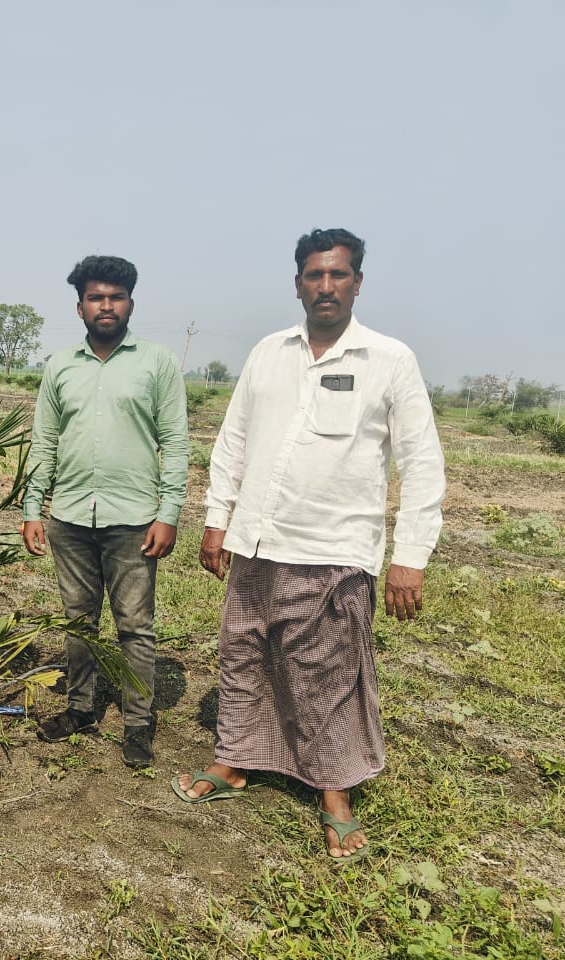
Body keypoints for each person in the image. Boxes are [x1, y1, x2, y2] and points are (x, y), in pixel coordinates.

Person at [172, 228, 445, 864]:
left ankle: (333, 792)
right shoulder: (269, 352)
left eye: (338, 275)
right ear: (297, 283)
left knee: (328, 674)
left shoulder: (389, 360)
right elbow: (234, 439)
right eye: (314, 276)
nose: (326, 286)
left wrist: (410, 556)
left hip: (336, 547)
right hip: (259, 542)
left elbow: (421, 463)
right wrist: (218, 517)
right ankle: (235, 762)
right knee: (244, 657)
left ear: (357, 282)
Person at [23, 255, 189, 768]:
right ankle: (80, 708)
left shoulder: (157, 363)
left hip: (134, 518)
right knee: (78, 622)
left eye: (116, 297)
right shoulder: (60, 367)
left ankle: (138, 724)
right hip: (70, 515)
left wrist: (170, 513)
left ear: (131, 304)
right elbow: (44, 442)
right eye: (96, 297)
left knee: (135, 626)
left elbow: (177, 443)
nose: (106, 305)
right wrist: (34, 507)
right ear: (80, 308)